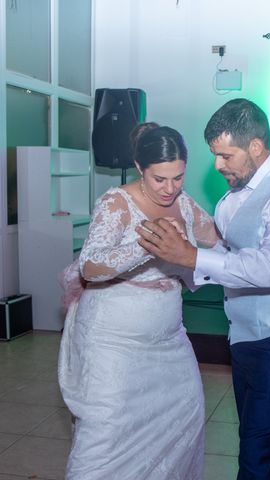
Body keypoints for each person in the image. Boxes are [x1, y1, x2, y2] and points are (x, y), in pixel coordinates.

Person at [136, 98, 270, 479]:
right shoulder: (232, 196)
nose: (218, 165)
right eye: (214, 155)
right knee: (266, 439)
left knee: (255, 452)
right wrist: (179, 268)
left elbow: (269, 268)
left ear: (255, 146)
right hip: (243, 333)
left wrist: (191, 256)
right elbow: (228, 256)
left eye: (225, 155)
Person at [58, 123, 218, 478]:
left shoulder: (185, 204)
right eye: (159, 179)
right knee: (108, 436)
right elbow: (91, 266)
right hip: (112, 343)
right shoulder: (117, 203)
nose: (170, 188)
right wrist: (146, 246)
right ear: (139, 167)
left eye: (178, 177)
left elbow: (218, 240)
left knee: (185, 416)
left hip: (168, 341)